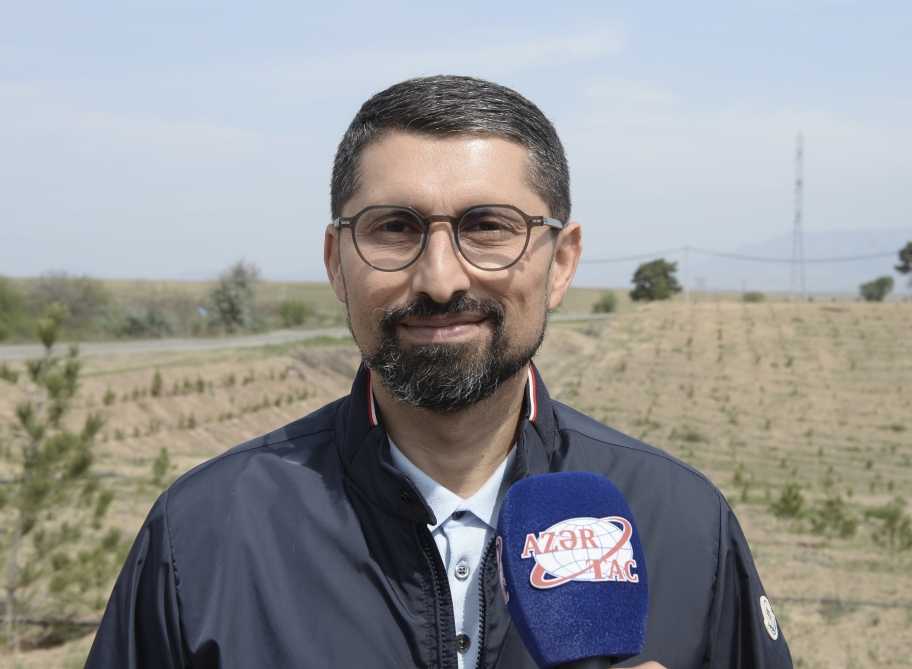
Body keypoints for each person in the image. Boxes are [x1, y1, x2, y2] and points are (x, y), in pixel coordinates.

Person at [86, 76, 792, 669]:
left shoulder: (686, 525)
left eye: (488, 226)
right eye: (394, 227)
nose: (440, 277)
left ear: (561, 263)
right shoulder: (202, 536)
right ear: (336, 263)